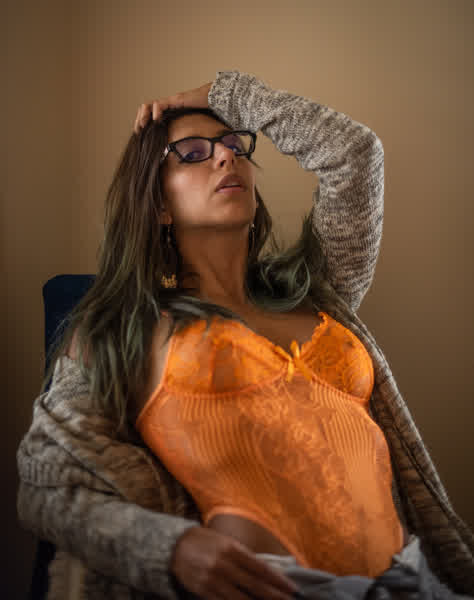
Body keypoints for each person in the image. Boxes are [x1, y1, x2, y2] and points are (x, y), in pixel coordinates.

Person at [17, 70, 474, 600]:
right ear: (159, 205)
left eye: (234, 144)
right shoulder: (122, 329)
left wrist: (223, 95)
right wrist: (170, 549)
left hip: (413, 581)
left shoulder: (316, 289)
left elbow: (355, 154)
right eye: (192, 153)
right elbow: (46, 480)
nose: (225, 156)